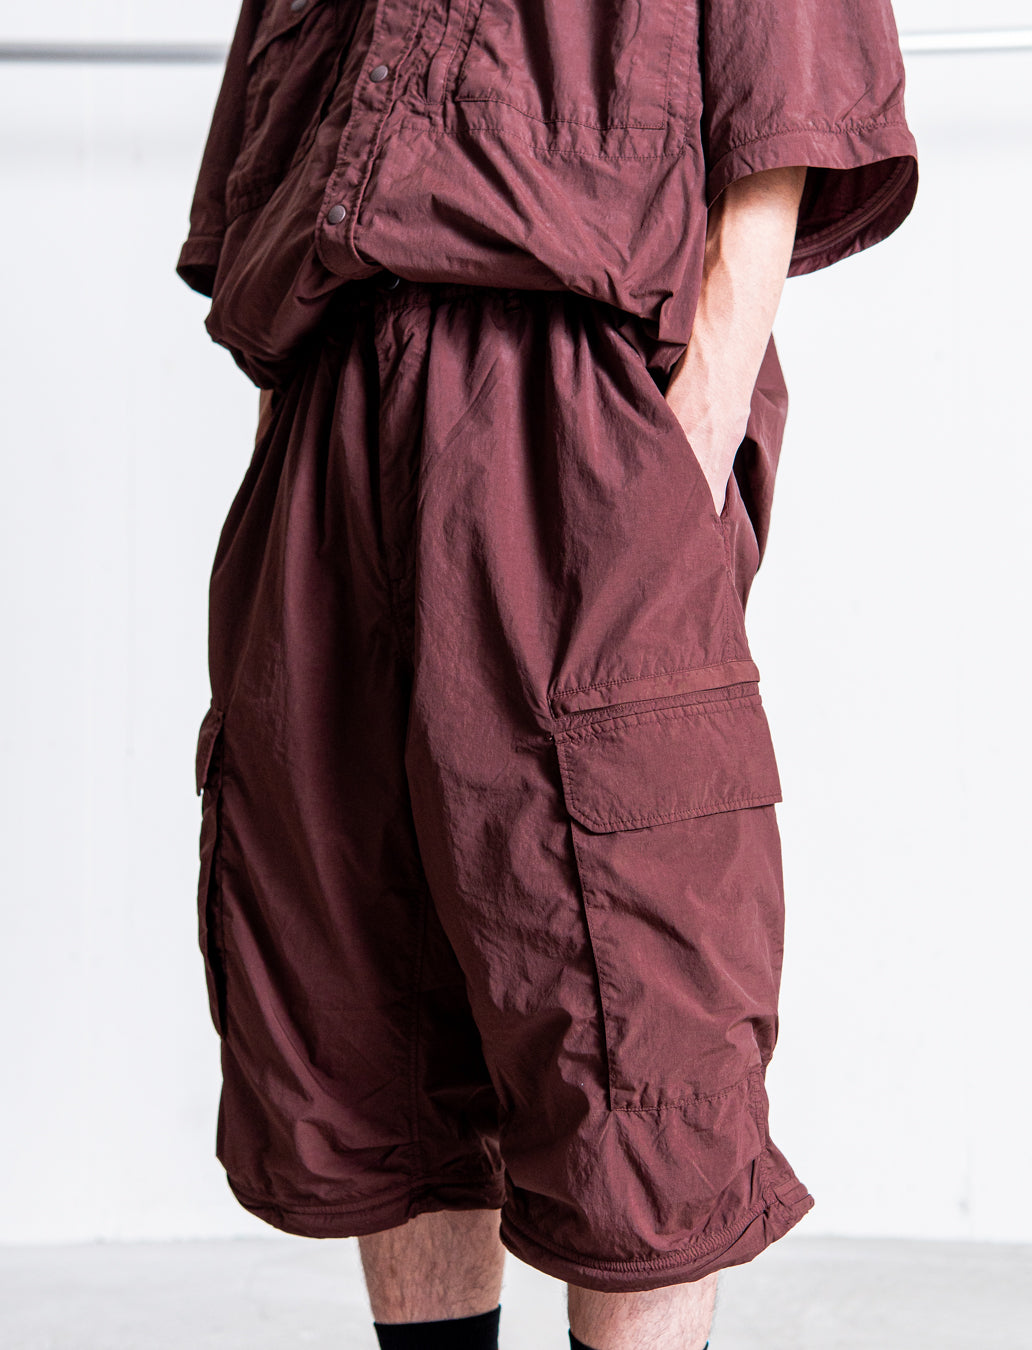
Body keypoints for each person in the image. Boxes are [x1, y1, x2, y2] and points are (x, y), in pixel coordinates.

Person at [179, 2, 918, 1347]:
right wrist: (286, 417)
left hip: (571, 400)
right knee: (367, 1001)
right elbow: (264, 166)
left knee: (632, 1014)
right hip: (334, 410)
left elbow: (788, 100)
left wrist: (682, 451)